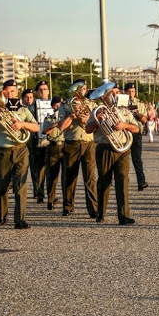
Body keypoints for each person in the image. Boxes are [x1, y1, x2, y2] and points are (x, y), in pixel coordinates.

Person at [0, 79, 39, 229]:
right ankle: (0, 216)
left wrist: (22, 124)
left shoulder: (23, 109)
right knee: (1, 185)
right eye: (7, 91)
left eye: (13, 91)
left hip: (20, 149)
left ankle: (20, 220)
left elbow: (36, 127)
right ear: (2, 92)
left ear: (17, 92)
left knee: (21, 185)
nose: (10, 94)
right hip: (2, 151)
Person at [85, 84, 139, 225]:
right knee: (104, 181)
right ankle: (101, 213)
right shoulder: (97, 111)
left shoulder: (124, 111)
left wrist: (124, 125)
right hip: (105, 149)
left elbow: (136, 128)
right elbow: (88, 129)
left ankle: (124, 215)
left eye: (114, 93)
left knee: (122, 180)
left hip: (123, 149)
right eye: (111, 93)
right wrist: (98, 120)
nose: (113, 96)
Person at [57, 79, 98, 218]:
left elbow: (95, 122)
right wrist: (73, 115)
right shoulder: (66, 105)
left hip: (88, 143)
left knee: (90, 178)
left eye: (85, 88)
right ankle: (67, 206)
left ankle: (93, 209)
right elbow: (61, 126)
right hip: (72, 143)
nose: (83, 90)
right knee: (69, 176)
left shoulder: (91, 104)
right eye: (80, 88)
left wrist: (87, 118)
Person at [27, 81, 50, 203]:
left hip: (51, 141)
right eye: (40, 90)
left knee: (51, 169)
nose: (43, 92)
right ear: (37, 92)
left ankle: (51, 195)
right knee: (38, 168)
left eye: (45, 89)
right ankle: (39, 193)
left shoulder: (54, 103)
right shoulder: (32, 106)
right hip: (37, 140)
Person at [124, 83, 149, 191]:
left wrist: (136, 113)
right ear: (125, 92)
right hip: (124, 133)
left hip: (136, 133)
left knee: (137, 158)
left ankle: (141, 182)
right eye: (129, 91)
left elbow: (144, 120)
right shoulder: (120, 103)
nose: (131, 94)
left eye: (133, 91)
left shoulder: (140, 103)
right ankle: (122, 181)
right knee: (122, 159)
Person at [42, 96, 65, 211]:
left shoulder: (66, 118)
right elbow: (45, 131)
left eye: (60, 105)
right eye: (56, 105)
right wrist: (55, 123)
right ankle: (50, 200)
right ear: (52, 107)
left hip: (65, 146)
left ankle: (68, 202)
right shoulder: (48, 118)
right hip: (53, 147)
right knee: (51, 176)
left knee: (66, 176)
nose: (58, 107)